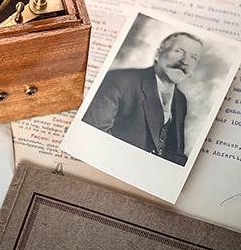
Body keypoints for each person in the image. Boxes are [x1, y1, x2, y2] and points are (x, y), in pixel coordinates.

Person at [82, 32, 203, 166]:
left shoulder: (180, 100)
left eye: (193, 58)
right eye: (179, 51)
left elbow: (176, 153)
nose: (185, 62)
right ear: (158, 54)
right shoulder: (119, 80)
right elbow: (94, 134)